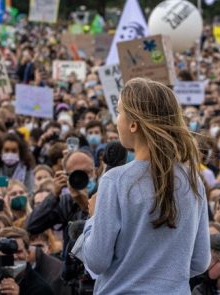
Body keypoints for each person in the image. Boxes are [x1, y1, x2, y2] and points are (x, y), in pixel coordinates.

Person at [82, 78, 211, 294]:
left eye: (119, 111)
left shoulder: (115, 181)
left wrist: (93, 219)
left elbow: (97, 260)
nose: (116, 120)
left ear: (133, 124)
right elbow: (200, 261)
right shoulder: (192, 180)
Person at [0, 226, 55, 295]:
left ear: (28, 254)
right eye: (8, 252)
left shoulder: (41, 290)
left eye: (18, 251)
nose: (14, 256)